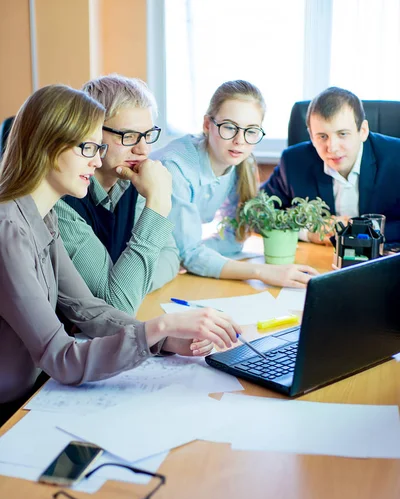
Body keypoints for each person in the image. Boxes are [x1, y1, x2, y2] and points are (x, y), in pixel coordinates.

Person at [0, 84, 241, 425]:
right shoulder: (8, 231)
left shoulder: (42, 215)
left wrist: (168, 339)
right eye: (88, 147)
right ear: (49, 148)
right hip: (10, 414)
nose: (97, 160)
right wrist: (161, 325)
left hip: (36, 394)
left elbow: (87, 309)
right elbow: (61, 356)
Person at [152, 80, 318, 288]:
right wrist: (262, 272)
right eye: (229, 127)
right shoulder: (175, 168)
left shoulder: (240, 162)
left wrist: (194, 254)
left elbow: (231, 238)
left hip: (169, 260)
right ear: (207, 125)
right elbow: (191, 255)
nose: (240, 140)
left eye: (251, 131)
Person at [54, 74, 180, 315]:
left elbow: (172, 257)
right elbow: (117, 306)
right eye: (128, 136)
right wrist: (158, 204)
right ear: (90, 132)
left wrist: (129, 284)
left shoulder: (135, 180)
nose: (143, 150)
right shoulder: (62, 198)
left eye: (147, 135)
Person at [261, 86, 400, 244]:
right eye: (322, 136)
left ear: (363, 130)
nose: (332, 147)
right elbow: (257, 213)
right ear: (311, 137)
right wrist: (307, 232)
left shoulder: (396, 156)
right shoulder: (293, 161)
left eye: (342, 134)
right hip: (318, 261)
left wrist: (358, 230)